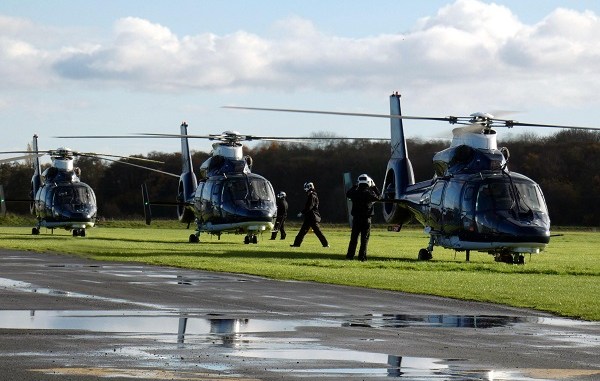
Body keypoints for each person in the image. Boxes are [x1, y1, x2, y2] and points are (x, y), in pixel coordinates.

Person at [346, 174, 380, 261]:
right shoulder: (369, 193)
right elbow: (379, 197)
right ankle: (362, 257)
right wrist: (374, 187)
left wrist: (355, 186)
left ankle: (350, 256)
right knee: (364, 239)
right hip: (366, 219)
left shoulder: (355, 193)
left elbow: (348, 194)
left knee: (354, 238)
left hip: (356, 219)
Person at [290, 182, 329, 248]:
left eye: (306, 187)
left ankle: (326, 244)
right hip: (310, 217)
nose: (305, 188)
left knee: (317, 232)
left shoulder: (312, 195)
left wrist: (302, 212)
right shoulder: (313, 195)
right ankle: (296, 244)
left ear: (309, 187)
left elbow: (309, 206)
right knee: (303, 231)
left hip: (312, 217)